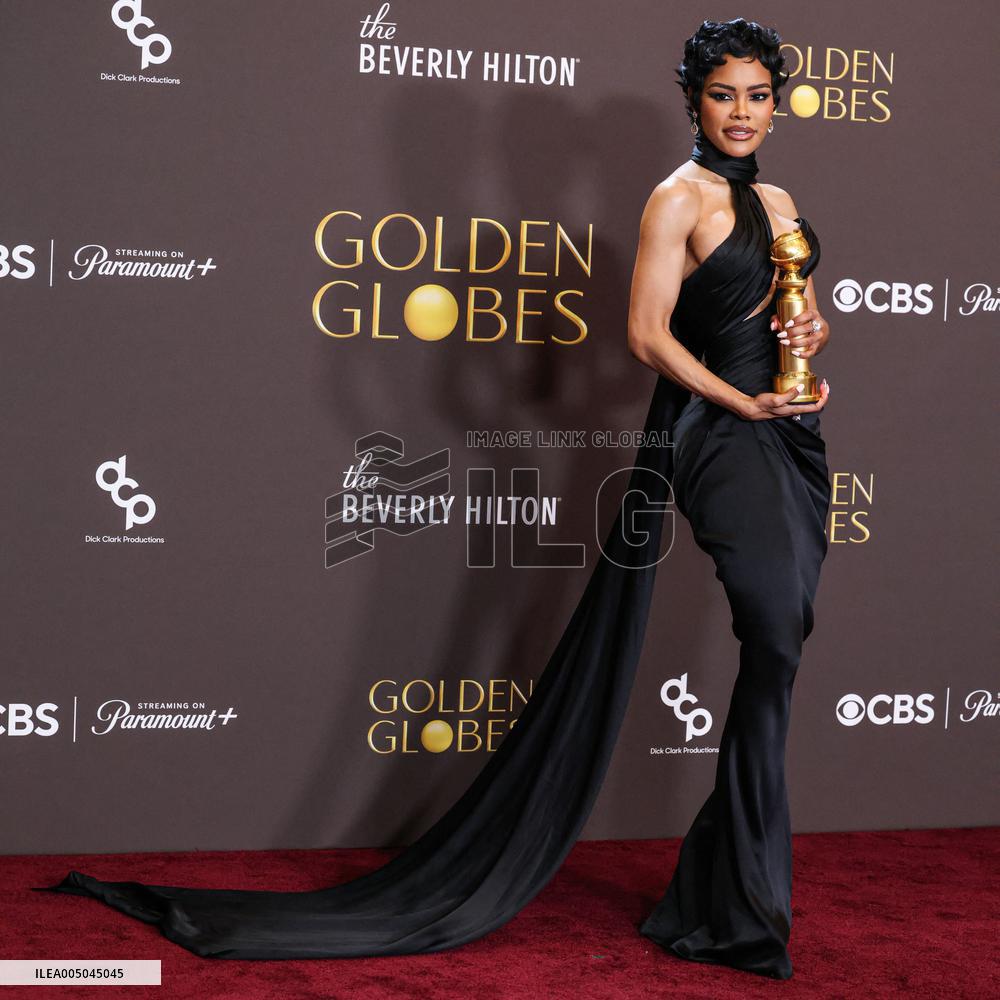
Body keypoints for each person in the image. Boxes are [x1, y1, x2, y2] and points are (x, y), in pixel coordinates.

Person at [33, 17, 830, 982]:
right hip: (717, 434)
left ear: (776, 104)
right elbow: (646, 334)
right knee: (772, 631)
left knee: (782, 645)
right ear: (693, 102)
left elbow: (791, 314)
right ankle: (741, 892)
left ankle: (724, 887)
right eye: (723, 94)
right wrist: (736, 399)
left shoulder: (779, 199)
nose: (742, 113)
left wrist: (807, 349)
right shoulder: (678, 197)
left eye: (757, 95)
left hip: (791, 435)